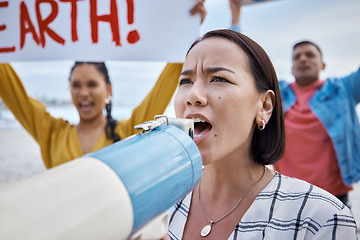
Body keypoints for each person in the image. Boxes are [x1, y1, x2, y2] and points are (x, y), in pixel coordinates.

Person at [166, 29, 357, 239]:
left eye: (219, 78)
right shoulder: (155, 204)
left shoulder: (324, 219)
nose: (193, 95)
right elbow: (238, 54)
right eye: (185, 81)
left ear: (266, 106)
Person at [0, 1, 206, 169]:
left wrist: (184, 31)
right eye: (76, 85)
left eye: (92, 84)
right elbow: (10, 89)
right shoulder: (52, 133)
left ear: (108, 89)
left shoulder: (128, 133)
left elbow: (164, 85)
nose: (83, 92)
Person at [272, 40, 360, 206]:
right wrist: (235, 18)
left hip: (334, 198)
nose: (303, 59)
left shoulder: (343, 89)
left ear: (323, 65)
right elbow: (245, 66)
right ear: (291, 68)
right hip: (287, 197)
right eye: (297, 57)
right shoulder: (278, 95)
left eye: (310, 55)